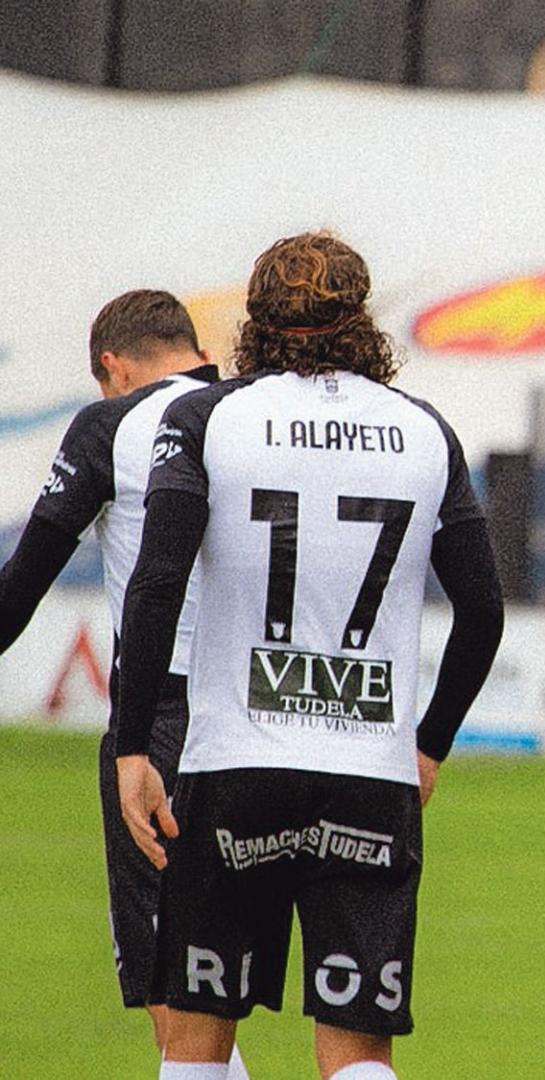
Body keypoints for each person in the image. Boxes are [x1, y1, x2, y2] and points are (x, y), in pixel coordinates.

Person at [112, 232, 505, 1080]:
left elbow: (155, 586)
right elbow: (482, 611)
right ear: (361, 319)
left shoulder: (206, 418)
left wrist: (135, 743)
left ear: (253, 321)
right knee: (358, 1053)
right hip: (369, 773)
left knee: (197, 1040)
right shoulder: (423, 430)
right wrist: (429, 744)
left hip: (234, 769)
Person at [0, 290, 252, 1075]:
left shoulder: (113, 424)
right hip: (270, 718)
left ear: (111, 366)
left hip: (166, 719)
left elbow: (23, 584)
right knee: (238, 999)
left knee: (177, 1005)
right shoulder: (253, 409)